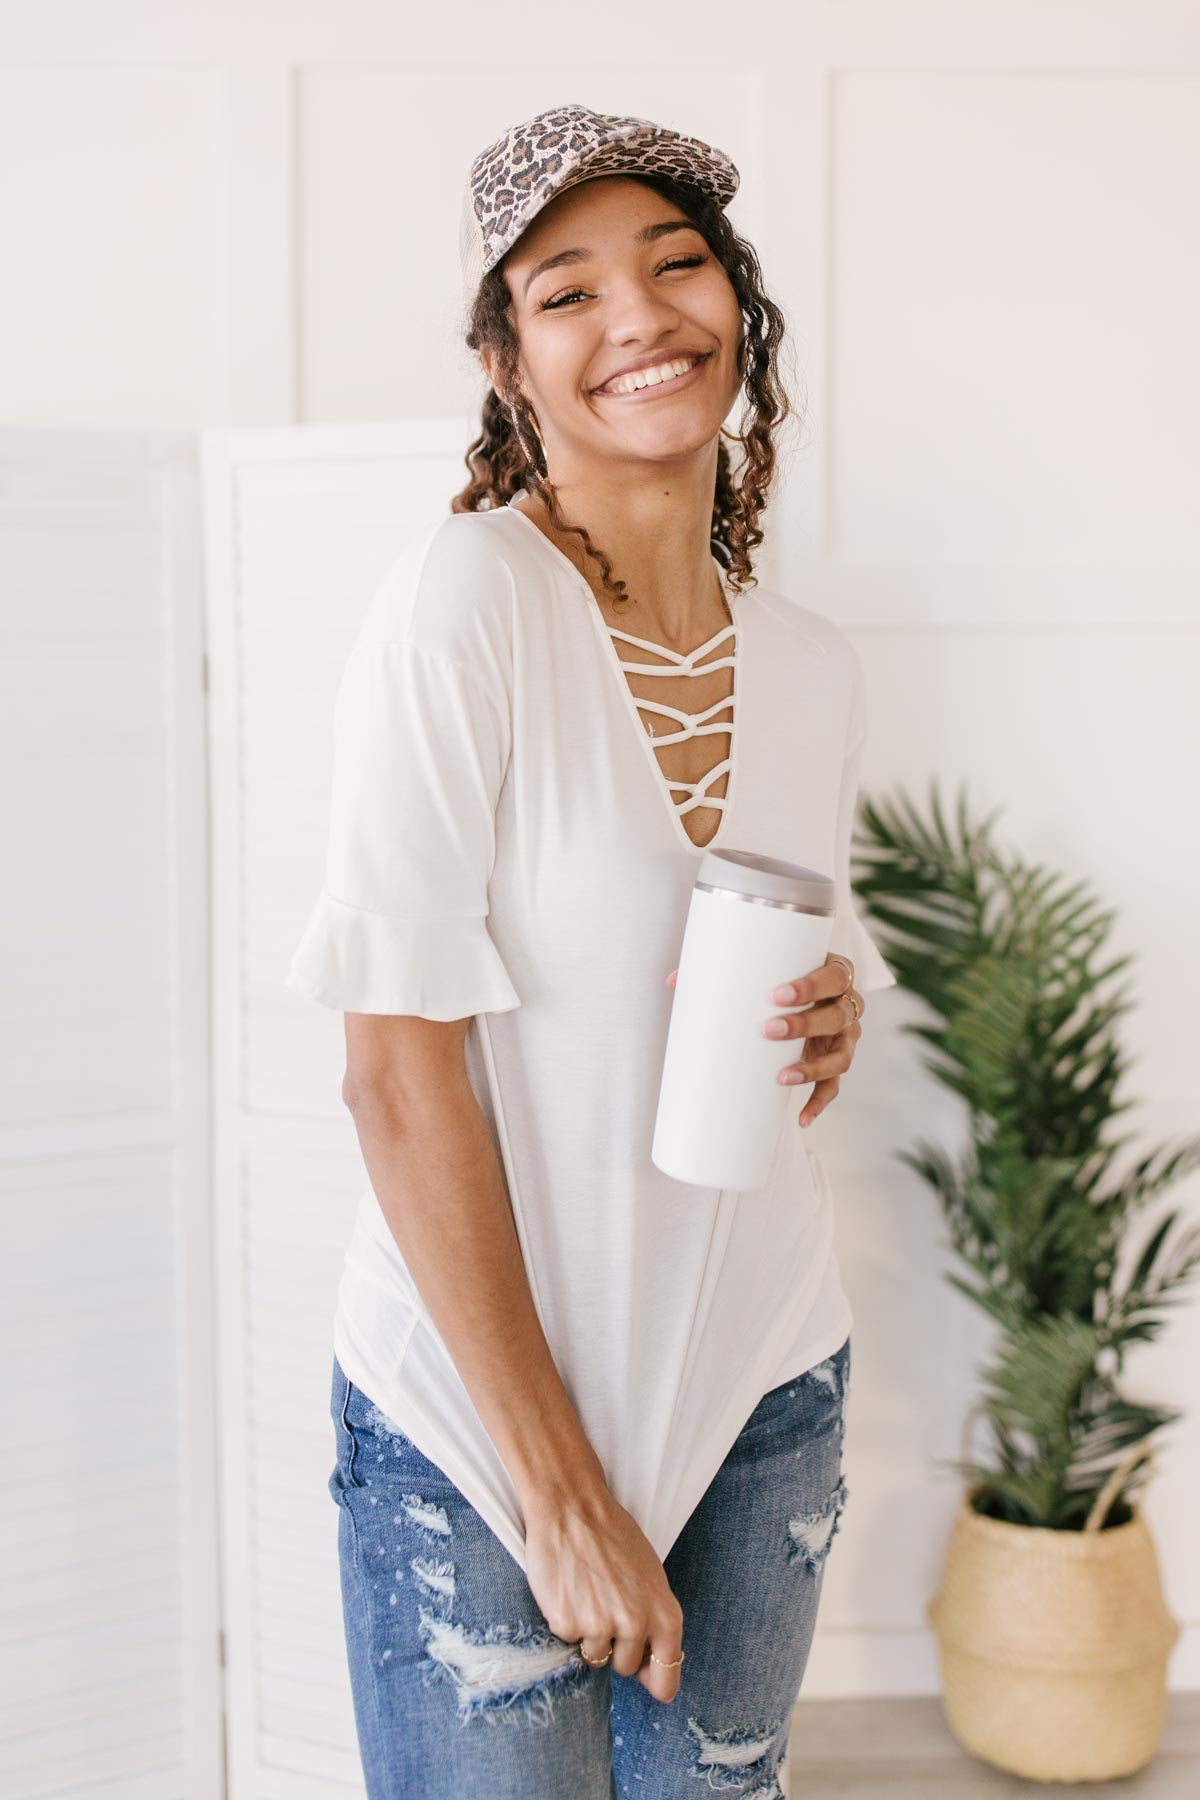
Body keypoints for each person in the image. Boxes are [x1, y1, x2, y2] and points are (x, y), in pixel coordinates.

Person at [287, 102, 897, 1800]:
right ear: (509, 362)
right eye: (568, 292)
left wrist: (831, 1024)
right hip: (480, 1426)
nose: (639, 318)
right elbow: (394, 1071)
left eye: (678, 265)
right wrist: (556, 1490)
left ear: (739, 315)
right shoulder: (468, 599)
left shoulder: (815, 665)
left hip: (760, 1383)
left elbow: (712, 1000)